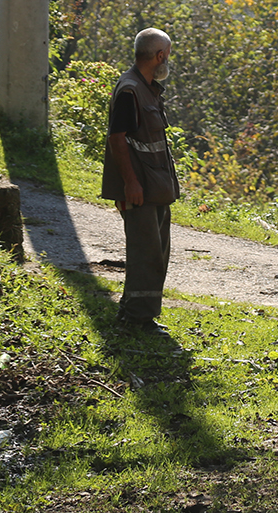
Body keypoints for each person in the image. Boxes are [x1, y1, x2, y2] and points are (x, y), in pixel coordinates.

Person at [102, 27, 179, 331]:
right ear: (159, 55)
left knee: (156, 253)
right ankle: (136, 320)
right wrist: (130, 183)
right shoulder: (130, 90)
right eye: (168, 54)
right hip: (140, 188)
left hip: (155, 187)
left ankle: (135, 313)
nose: (168, 60)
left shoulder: (146, 86)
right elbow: (117, 139)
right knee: (145, 254)